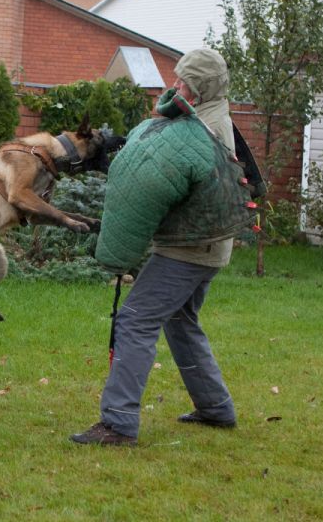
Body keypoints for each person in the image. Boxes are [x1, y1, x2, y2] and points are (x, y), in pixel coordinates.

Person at [71, 48, 249, 446]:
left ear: (201, 88)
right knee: (181, 320)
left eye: (184, 80)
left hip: (190, 249)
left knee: (135, 320)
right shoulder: (206, 116)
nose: (175, 85)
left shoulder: (205, 129)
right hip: (205, 246)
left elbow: (165, 176)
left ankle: (117, 423)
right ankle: (215, 408)